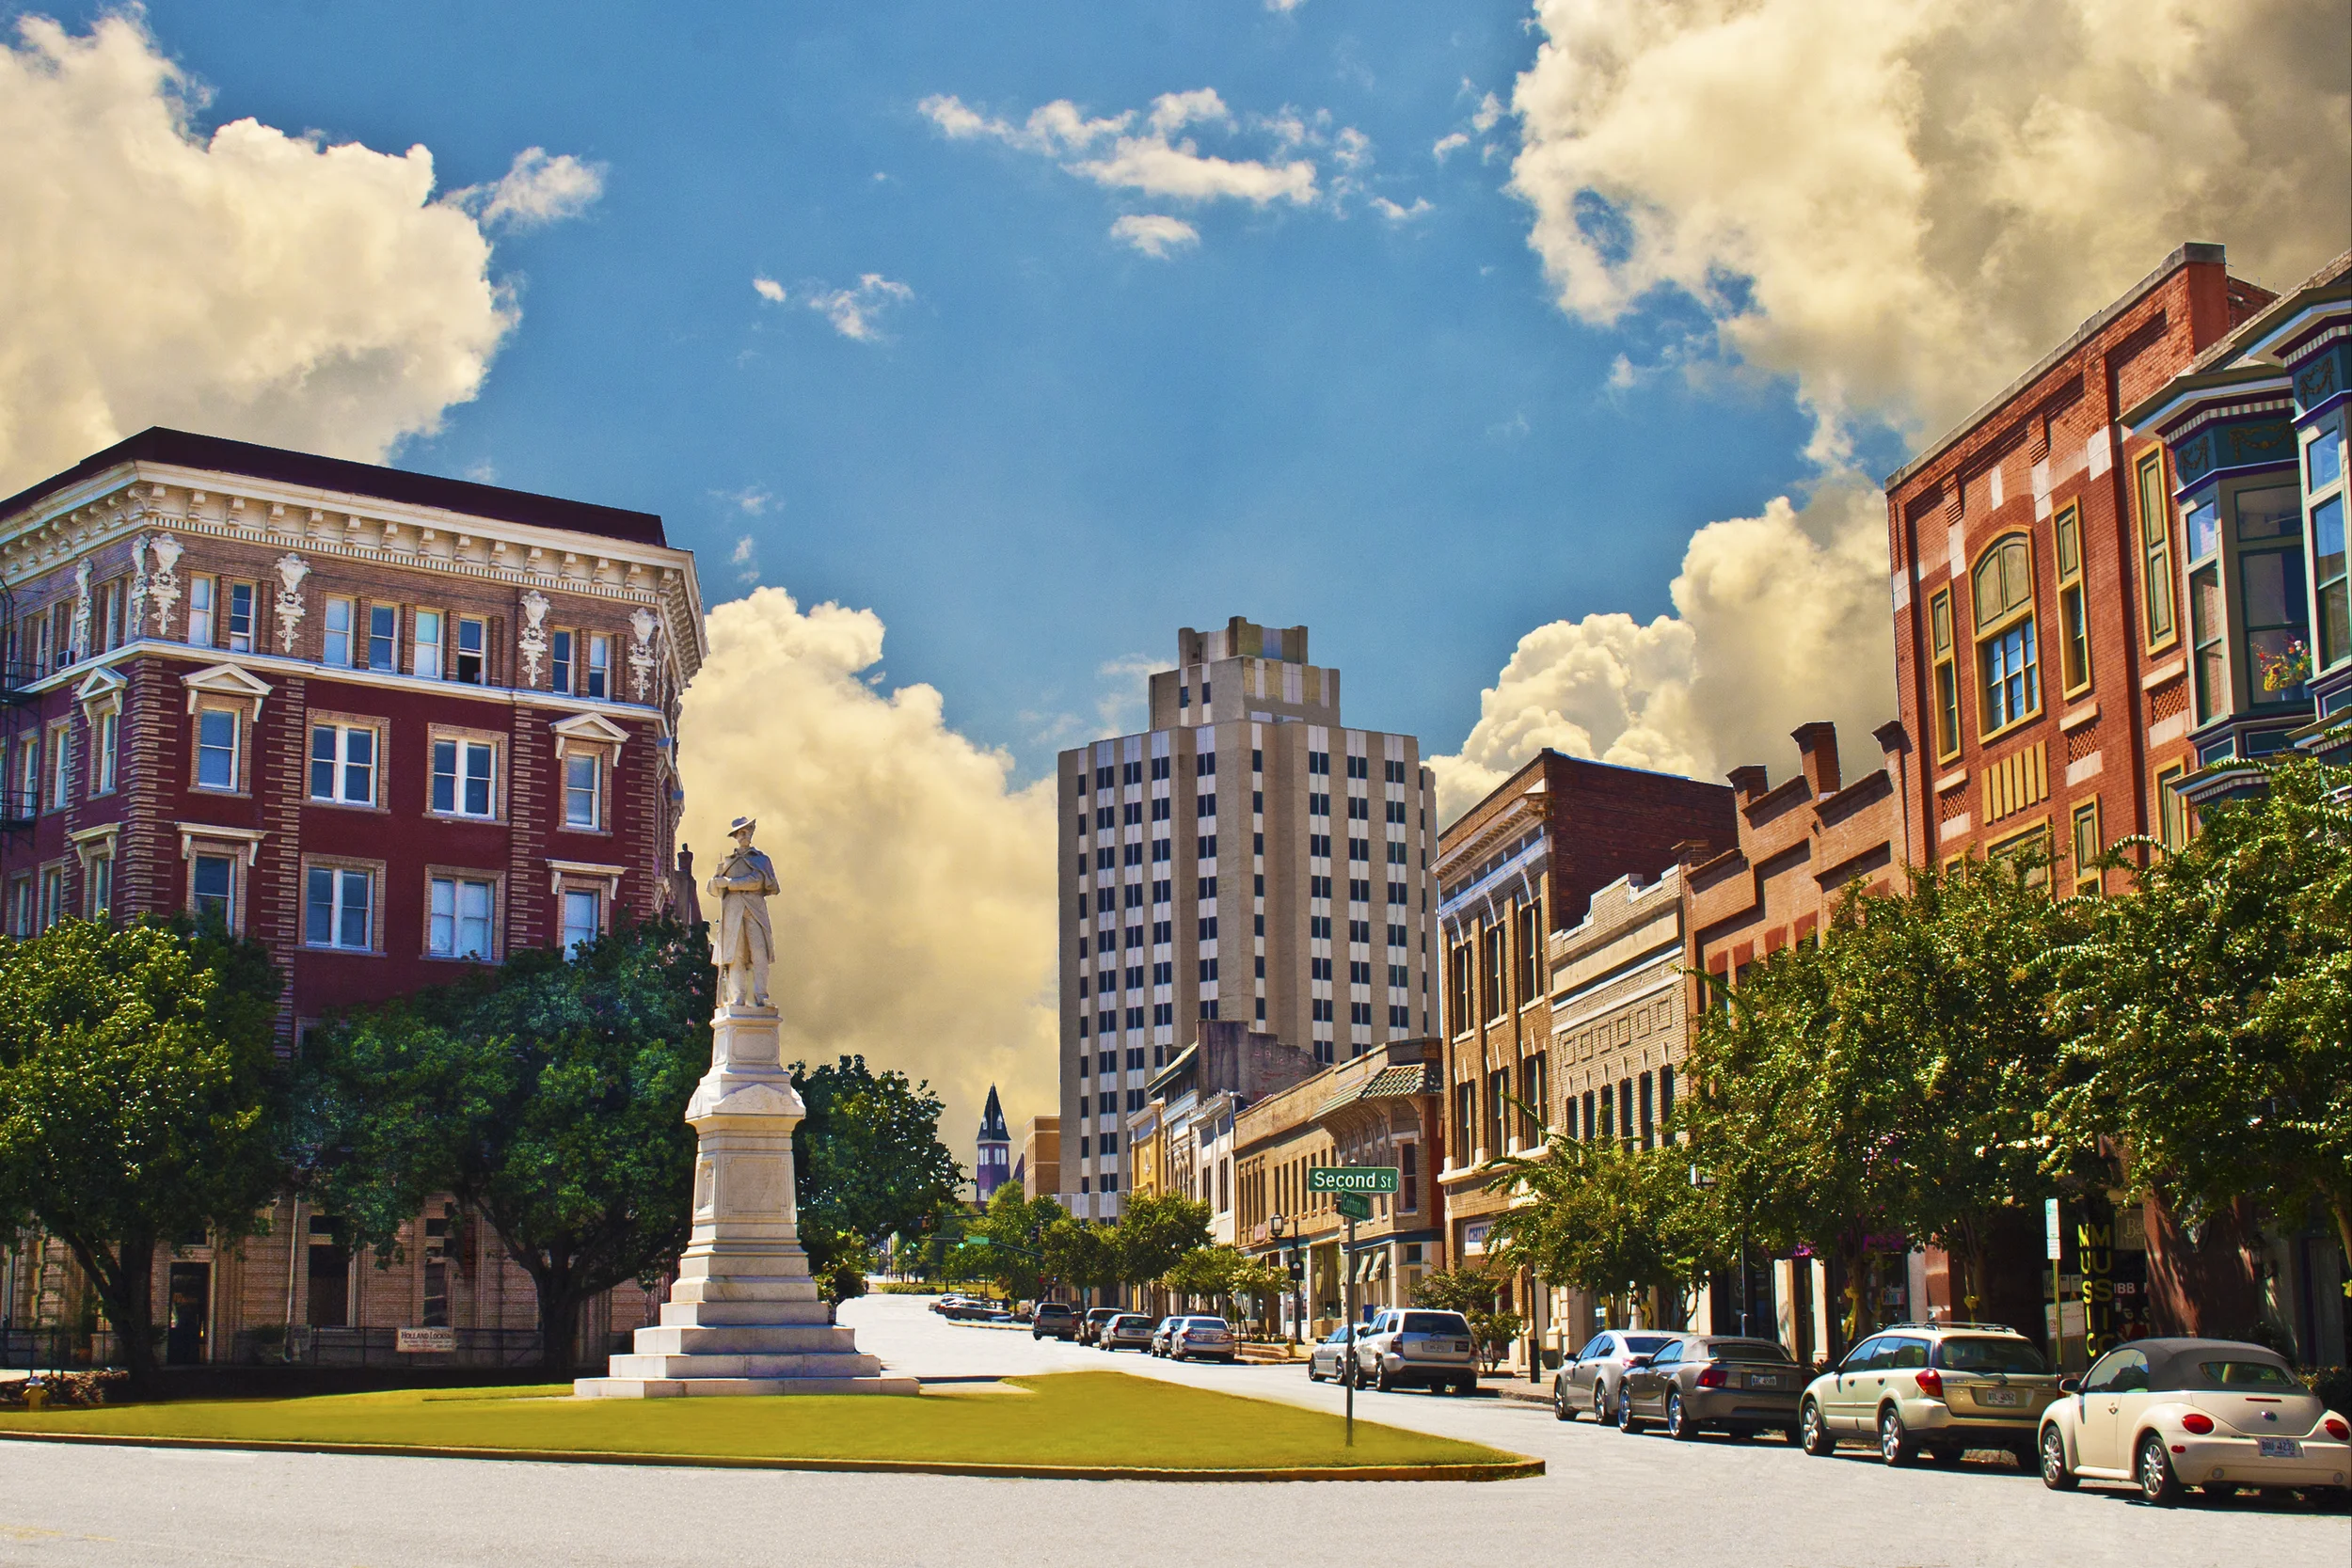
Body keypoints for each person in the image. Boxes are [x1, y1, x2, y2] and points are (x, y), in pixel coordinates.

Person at [707, 816, 779, 1007]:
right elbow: (712, 890)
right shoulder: (727, 862)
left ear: (752, 832)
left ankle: (761, 995)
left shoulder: (761, 860)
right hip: (733, 910)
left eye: (747, 831)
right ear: (735, 836)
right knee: (735, 954)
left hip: (754, 908)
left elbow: (757, 881)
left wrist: (729, 883)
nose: (743, 835)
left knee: (759, 952)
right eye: (740, 832)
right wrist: (716, 881)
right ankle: (738, 996)